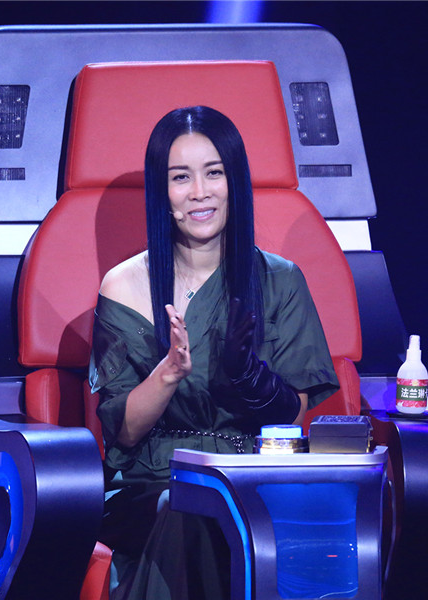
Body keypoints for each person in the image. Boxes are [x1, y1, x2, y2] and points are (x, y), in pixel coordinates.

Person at [89, 105, 339, 599]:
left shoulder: (280, 280)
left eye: (214, 173)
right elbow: (123, 430)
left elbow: (295, 416)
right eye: (181, 177)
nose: (199, 192)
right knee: (192, 510)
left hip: (255, 471)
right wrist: (168, 372)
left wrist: (250, 378)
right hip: (157, 480)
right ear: (162, 191)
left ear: (234, 182)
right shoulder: (124, 284)